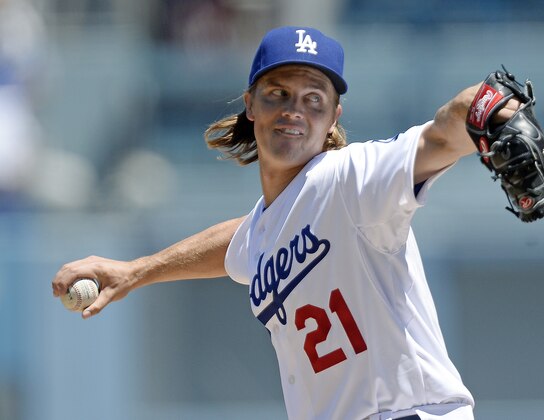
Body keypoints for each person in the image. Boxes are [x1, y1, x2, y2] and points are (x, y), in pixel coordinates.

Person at [52, 26, 520, 420]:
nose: (294, 109)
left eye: (313, 98)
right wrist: (137, 271)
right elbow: (239, 241)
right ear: (251, 103)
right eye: (278, 93)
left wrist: (486, 108)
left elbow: (441, 135)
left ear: (334, 117)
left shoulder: (349, 178)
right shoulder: (267, 228)